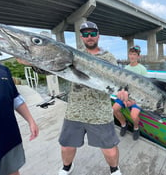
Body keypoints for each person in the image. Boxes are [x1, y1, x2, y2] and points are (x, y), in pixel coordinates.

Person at [58, 21, 122, 175]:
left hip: (100, 112)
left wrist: (122, 92)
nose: (89, 37)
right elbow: (51, 66)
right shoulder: (73, 55)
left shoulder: (109, 57)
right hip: (75, 110)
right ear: (81, 37)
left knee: (110, 150)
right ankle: (67, 167)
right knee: (66, 146)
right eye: (85, 34)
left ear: (98, 35)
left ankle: (114, 169)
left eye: (92, 33)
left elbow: (117, 81)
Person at [0, 39, 39, 174]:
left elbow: (15, 98)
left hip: (9, 139)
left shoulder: (2, 70)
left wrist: (31, 121)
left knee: (14, 171)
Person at [112, 46, 147, 140]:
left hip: (137, 97)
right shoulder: (126, 68)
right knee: (115, 109)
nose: (132, 56)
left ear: (138, 57)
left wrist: (133, 101)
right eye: (131, 54)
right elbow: (123, 85)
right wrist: (125, 99)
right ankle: (124, 124)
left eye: (134, 54)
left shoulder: (142, 69)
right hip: (126, 95)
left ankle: (136, 128)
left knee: (134, 115)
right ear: (128, 55)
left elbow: (145, 88)